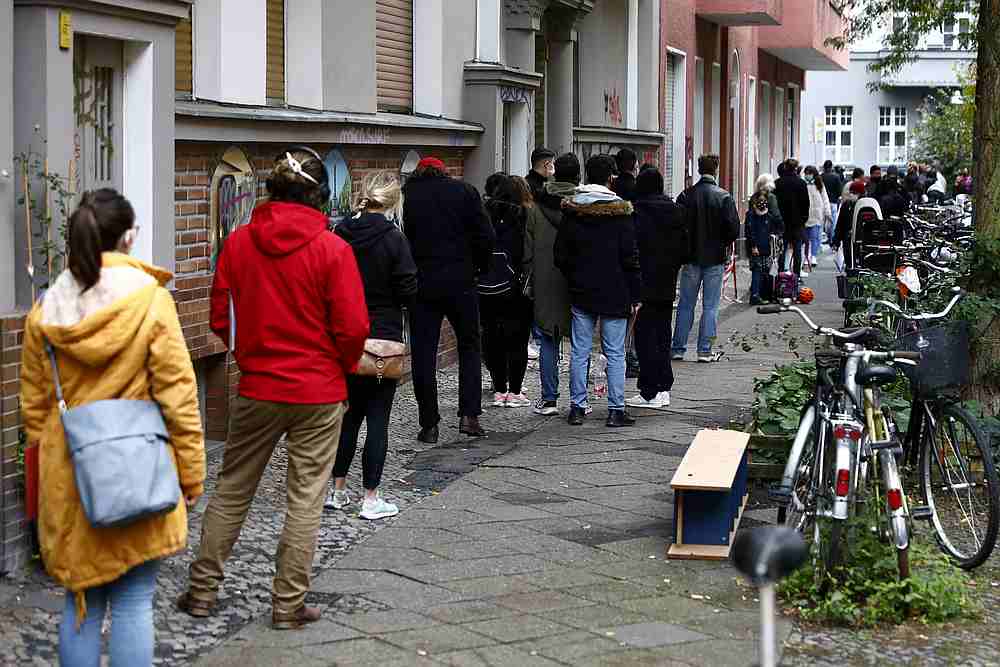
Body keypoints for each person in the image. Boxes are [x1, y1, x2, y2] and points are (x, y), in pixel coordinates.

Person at [179, 149, 369, 630]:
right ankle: (287, 605)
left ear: (270, 192)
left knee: (232, 489)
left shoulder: (240, 244)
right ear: (319, 195)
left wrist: (248, 356)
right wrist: (340, 367)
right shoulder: (333, 250)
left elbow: (221, 315)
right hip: (319, 390)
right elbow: (352, 326)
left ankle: (202, 591)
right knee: (305, 498)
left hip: (259, 386)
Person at [20, 189, 205, 664]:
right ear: (128, 237)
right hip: (138, 470)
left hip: (73, 478)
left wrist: (44, 488)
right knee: (132, 604)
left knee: (79, 602)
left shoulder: (44, 312)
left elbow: (35, 411)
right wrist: (190, 473)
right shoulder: (150, 302)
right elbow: (179, 397)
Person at [326, 171, 418, 520]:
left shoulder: (340, 232)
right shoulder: (395, 239)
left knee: (348, 417)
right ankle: (370, 498)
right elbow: (408, 288)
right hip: (383, 338)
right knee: (378, 417)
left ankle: (337, 490)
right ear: (393, 202)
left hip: (345, 337)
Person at [403, 157, 495, 442]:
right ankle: (470, 416)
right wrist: (479, 267)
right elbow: (485, 235)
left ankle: (429, 424)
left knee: (423, 353)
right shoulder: (465, 192)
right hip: (461, 280)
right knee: (469, 346)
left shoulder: (409, 196)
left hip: (422, 283)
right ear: (443, 172)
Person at [555, 154, 641, 427]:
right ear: (611, 178)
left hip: (582, 289)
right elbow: (630, 257)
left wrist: (574, 276)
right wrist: (635, 293)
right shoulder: (621, 212)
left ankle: (577, 408)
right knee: (615, 352)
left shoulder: (573, 210)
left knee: (580, 350)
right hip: (615, 290)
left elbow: (560, 255)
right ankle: (616, 410)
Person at [626, 167, 686, 410]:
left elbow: (631, 249)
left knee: (644, 337)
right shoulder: (676, 211)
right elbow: (684, 248)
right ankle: (663, 387)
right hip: (666, 282)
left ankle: (650, 389)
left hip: (643, 283)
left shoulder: (636, 212)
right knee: (662, 334)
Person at [671, 154, 740, 362]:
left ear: (699, 169)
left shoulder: (686, 195)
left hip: (691, 258)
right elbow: (734, 228)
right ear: (716, 169)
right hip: (715, 258)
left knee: (686, 304)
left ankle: (678, 348)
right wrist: (722, 244)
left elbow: (677, 226)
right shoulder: (724, 197)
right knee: (711, 306)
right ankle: (704, 350)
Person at [524, 153, 577, 416]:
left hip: (544, 282)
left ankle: (549, 400)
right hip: (577, 281)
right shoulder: (585, 204)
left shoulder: (535, 206)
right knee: (580, 341)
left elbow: (526, 251)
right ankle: (580, 400)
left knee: (547, 340)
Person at [479, 173, 533, 408]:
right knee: (518, 339)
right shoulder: (524, 216)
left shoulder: (484, 214)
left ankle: (499, 388)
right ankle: (515, 391)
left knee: (492, 336)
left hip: (486, 285)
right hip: (516, 286)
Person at [774, 158, 810, 278]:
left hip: (782, 222)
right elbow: (806, 203)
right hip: (797, 222)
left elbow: (775, 204)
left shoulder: (777, 183)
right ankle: (796, 276)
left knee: (782, 249)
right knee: (797, 250)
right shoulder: (801, 183)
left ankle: (781, 274)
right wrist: (803, 219)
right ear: (795, 168)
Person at [745, 191, 773, 306]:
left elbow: (773, 228)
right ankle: (755, 295)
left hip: (765, 248)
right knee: (756, 270)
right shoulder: (751, 215)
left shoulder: (768, 215)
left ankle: (761, 293)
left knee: (765, 270)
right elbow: (750, 232)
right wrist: (753, 246)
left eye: (764, 200)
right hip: (755, 248)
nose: (762, 203)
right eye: (760, 200)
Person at [832, 179, 868, 268]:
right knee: (849, 261)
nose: (851, 195)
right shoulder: (847, 205)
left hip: (862, 239)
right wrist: (836, 241)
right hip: (847, 239)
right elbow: (840, 223)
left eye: (854, 193)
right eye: (851, 192)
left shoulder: (866, 206)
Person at [803, 165, 832, 269]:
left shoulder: (819, 184)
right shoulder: (803, 184)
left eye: (809, 173)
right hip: (805, 215)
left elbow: (825, 198)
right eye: (806, 173)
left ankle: (813, 256)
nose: (807, 175)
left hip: (816, 215)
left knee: (815, 237)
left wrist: (827, 212)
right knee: (805, 239)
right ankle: (806, 257)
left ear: (814, 174)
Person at [821, 160, 843, 240]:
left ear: (824, 167)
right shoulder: (836, 177)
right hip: (833, 202)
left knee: (822, 222)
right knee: (833, 221)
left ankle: (823, 238)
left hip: (822, 203)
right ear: (831, 167)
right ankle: (832, 239)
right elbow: (839, 191)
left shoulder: (820, 177)